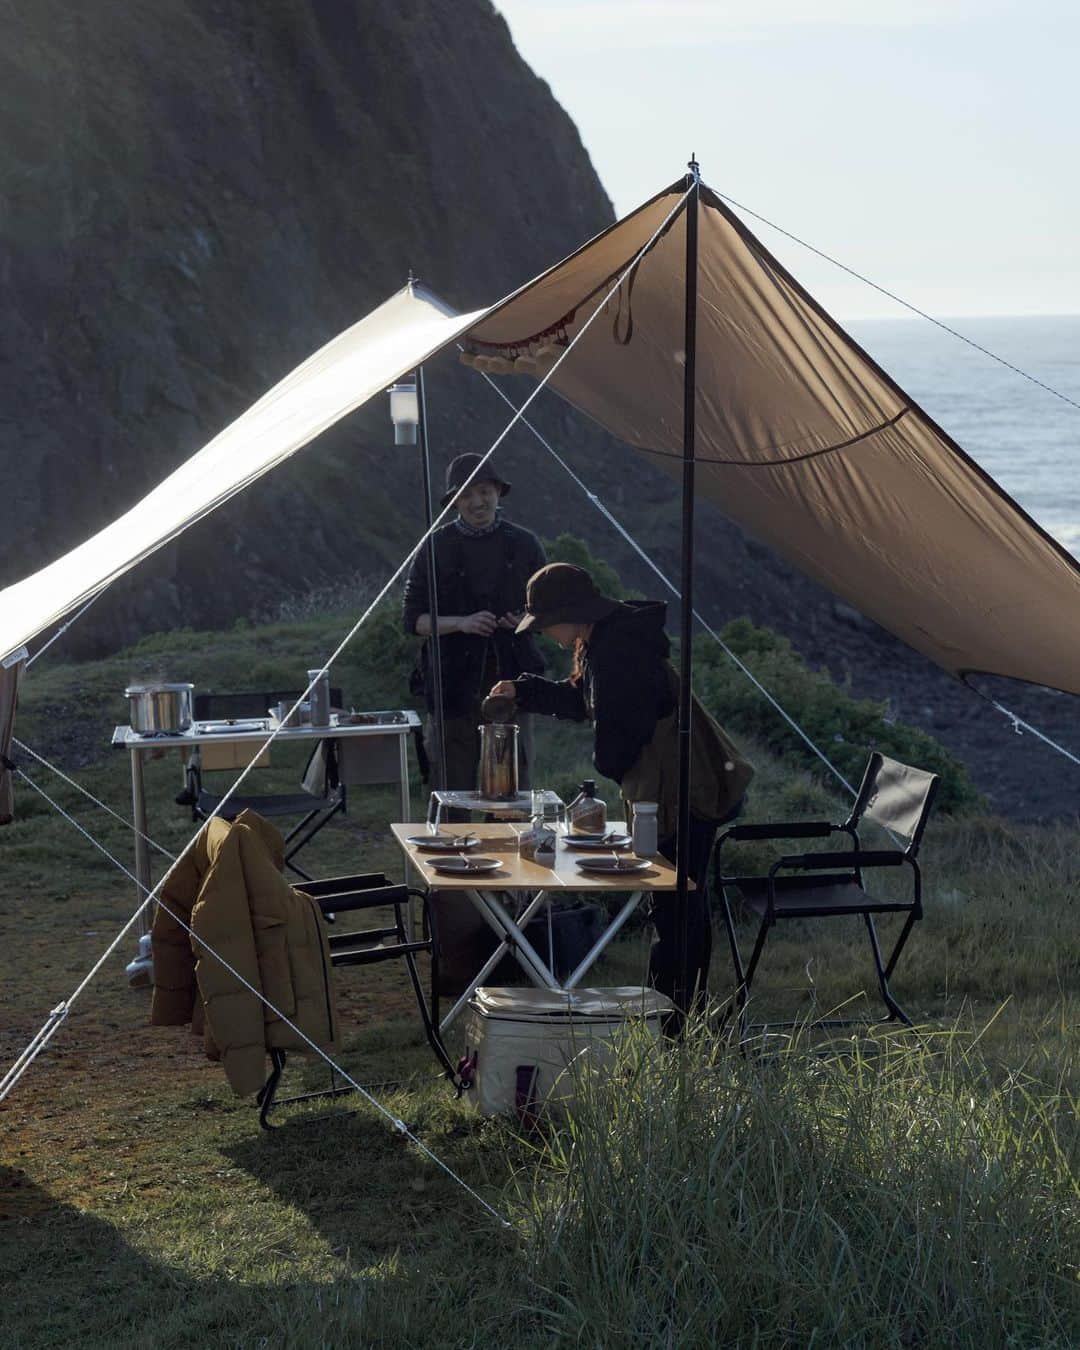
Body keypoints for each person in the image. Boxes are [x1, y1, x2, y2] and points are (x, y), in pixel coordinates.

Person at [489, 562, 753, 1010]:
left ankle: (672, 1018)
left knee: (675, 905)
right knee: (678, 901)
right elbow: (583, 699)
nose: (548, 633)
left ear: (571, 613)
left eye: (548, 623)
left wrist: (604, 763)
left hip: (680, 794)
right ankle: (678, 1012)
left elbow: (618, 740)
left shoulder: (619, 651)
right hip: (668, 792)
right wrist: (525, 691)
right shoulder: (605, 640)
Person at [403, 453, 546, 794]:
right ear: (454, 501)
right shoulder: (434, 547)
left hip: (514, 680)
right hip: (450, 683)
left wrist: (524, 621)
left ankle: (510, 846)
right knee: (452, 786)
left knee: (512, 787)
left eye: (483, 491)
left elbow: (548, 610)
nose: (477, 502)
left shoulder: (525, 544)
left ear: (498, 492)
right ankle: (452, 847)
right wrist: (461, 623)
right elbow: (412, 619)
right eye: (465, 495)